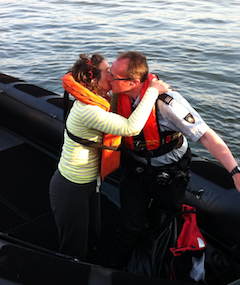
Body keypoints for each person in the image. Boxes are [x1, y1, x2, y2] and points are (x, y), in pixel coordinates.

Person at [108, 51, 240, 270]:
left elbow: (205, 135)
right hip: (135, 169)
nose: (109, 79)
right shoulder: (117, 94)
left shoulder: (168, 103)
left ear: (133, 82)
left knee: (166, 220)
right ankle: (114, 269)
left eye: (114, 76)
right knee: (128, 226)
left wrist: (236, 172)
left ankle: (164, 266)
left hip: (168, 173)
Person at [49, 53, 170, 262]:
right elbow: (130, 128)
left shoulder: (98, 99)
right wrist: (152, 91)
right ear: (93, 80)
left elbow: (116, 98)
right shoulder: (87, 110)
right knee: (74, 249)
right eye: (108, 73)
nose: (112, 77)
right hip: (71, 187)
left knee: (93, 237)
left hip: (89, 183)